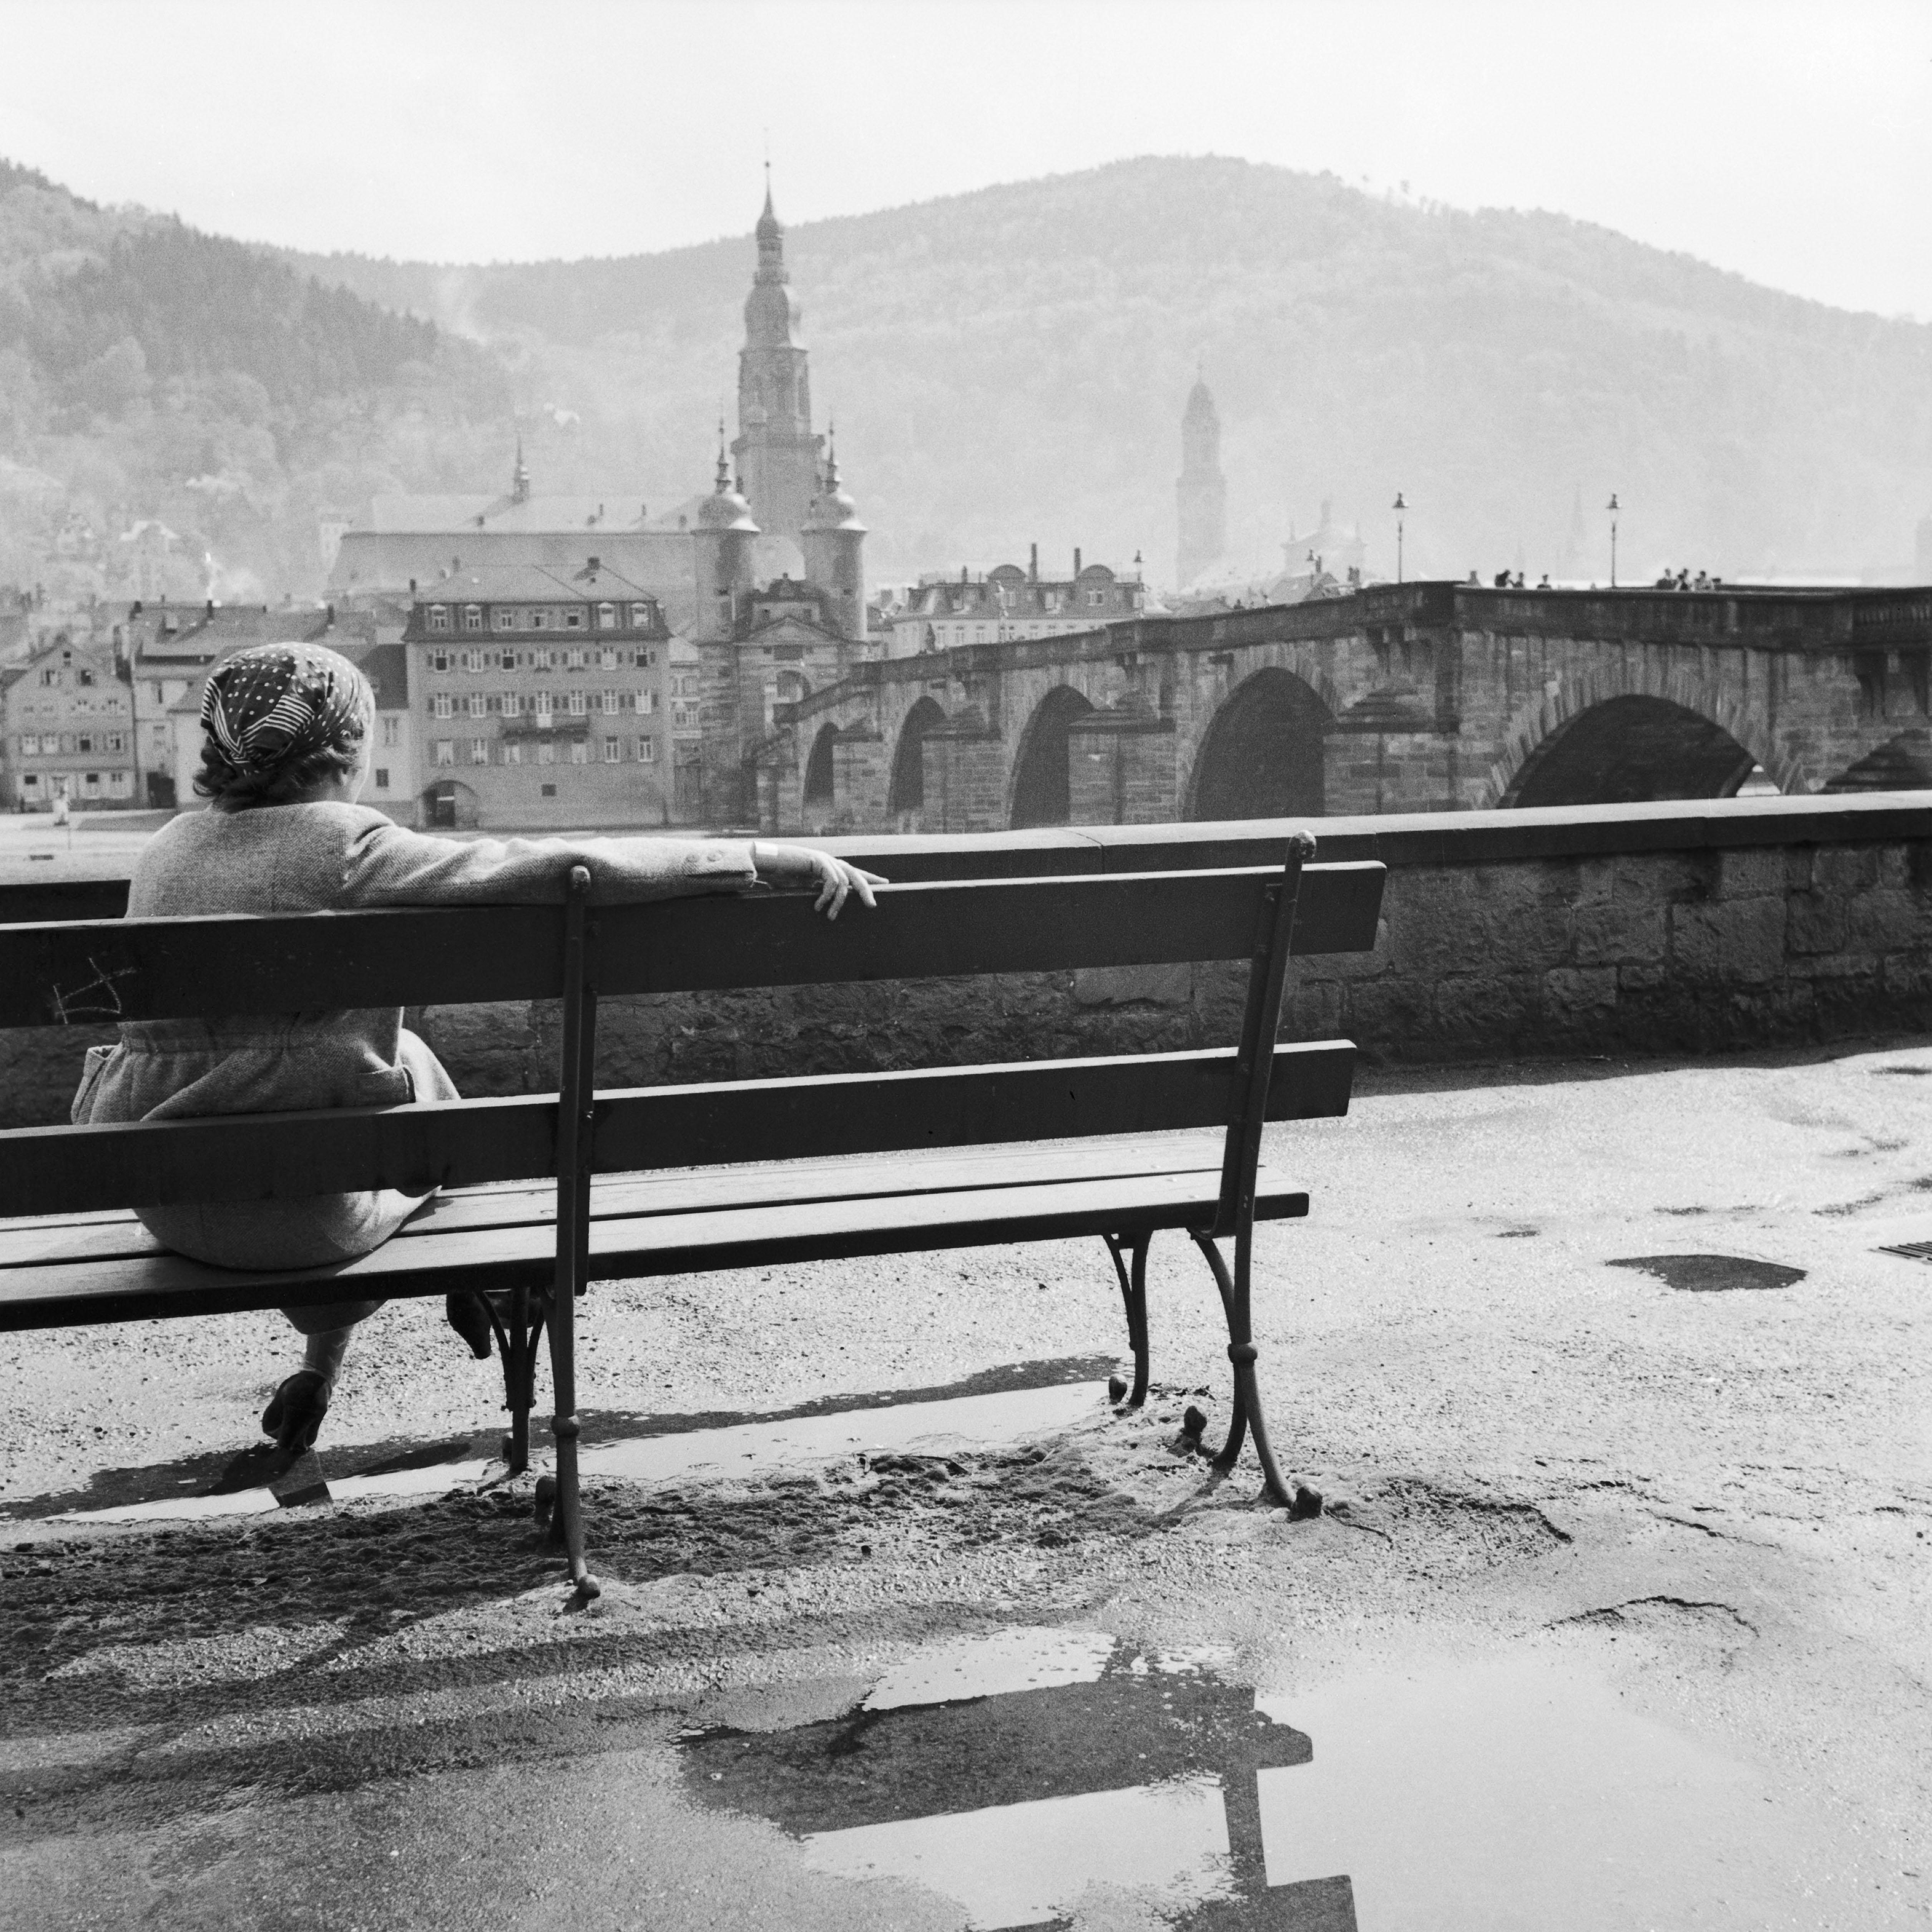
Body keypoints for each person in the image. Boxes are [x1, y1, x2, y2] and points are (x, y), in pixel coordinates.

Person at [70, 643, 884, 1454]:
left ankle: (326, 1368)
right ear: (346, 753)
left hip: (169, 1202)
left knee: (378, 1079)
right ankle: (476, 1275)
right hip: (299, 1222)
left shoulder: (165, 850)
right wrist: (756, 856)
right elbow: (552, 866)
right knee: (412, 1086)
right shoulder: (342, 847)